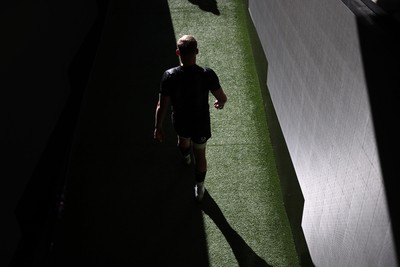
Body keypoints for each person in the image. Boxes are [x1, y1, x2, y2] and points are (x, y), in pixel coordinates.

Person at [154, 35, 227, 201]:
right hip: (201, 123)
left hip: (181, 121)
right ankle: (200, 188)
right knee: (200, 156)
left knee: (183, 142)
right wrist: (220, 103)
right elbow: (222, 98)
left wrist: (158, 127)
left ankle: (186, 158)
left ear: (177, 52)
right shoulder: (207, 74)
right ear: (197, 51)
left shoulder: (169, 75)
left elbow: (161, 105)